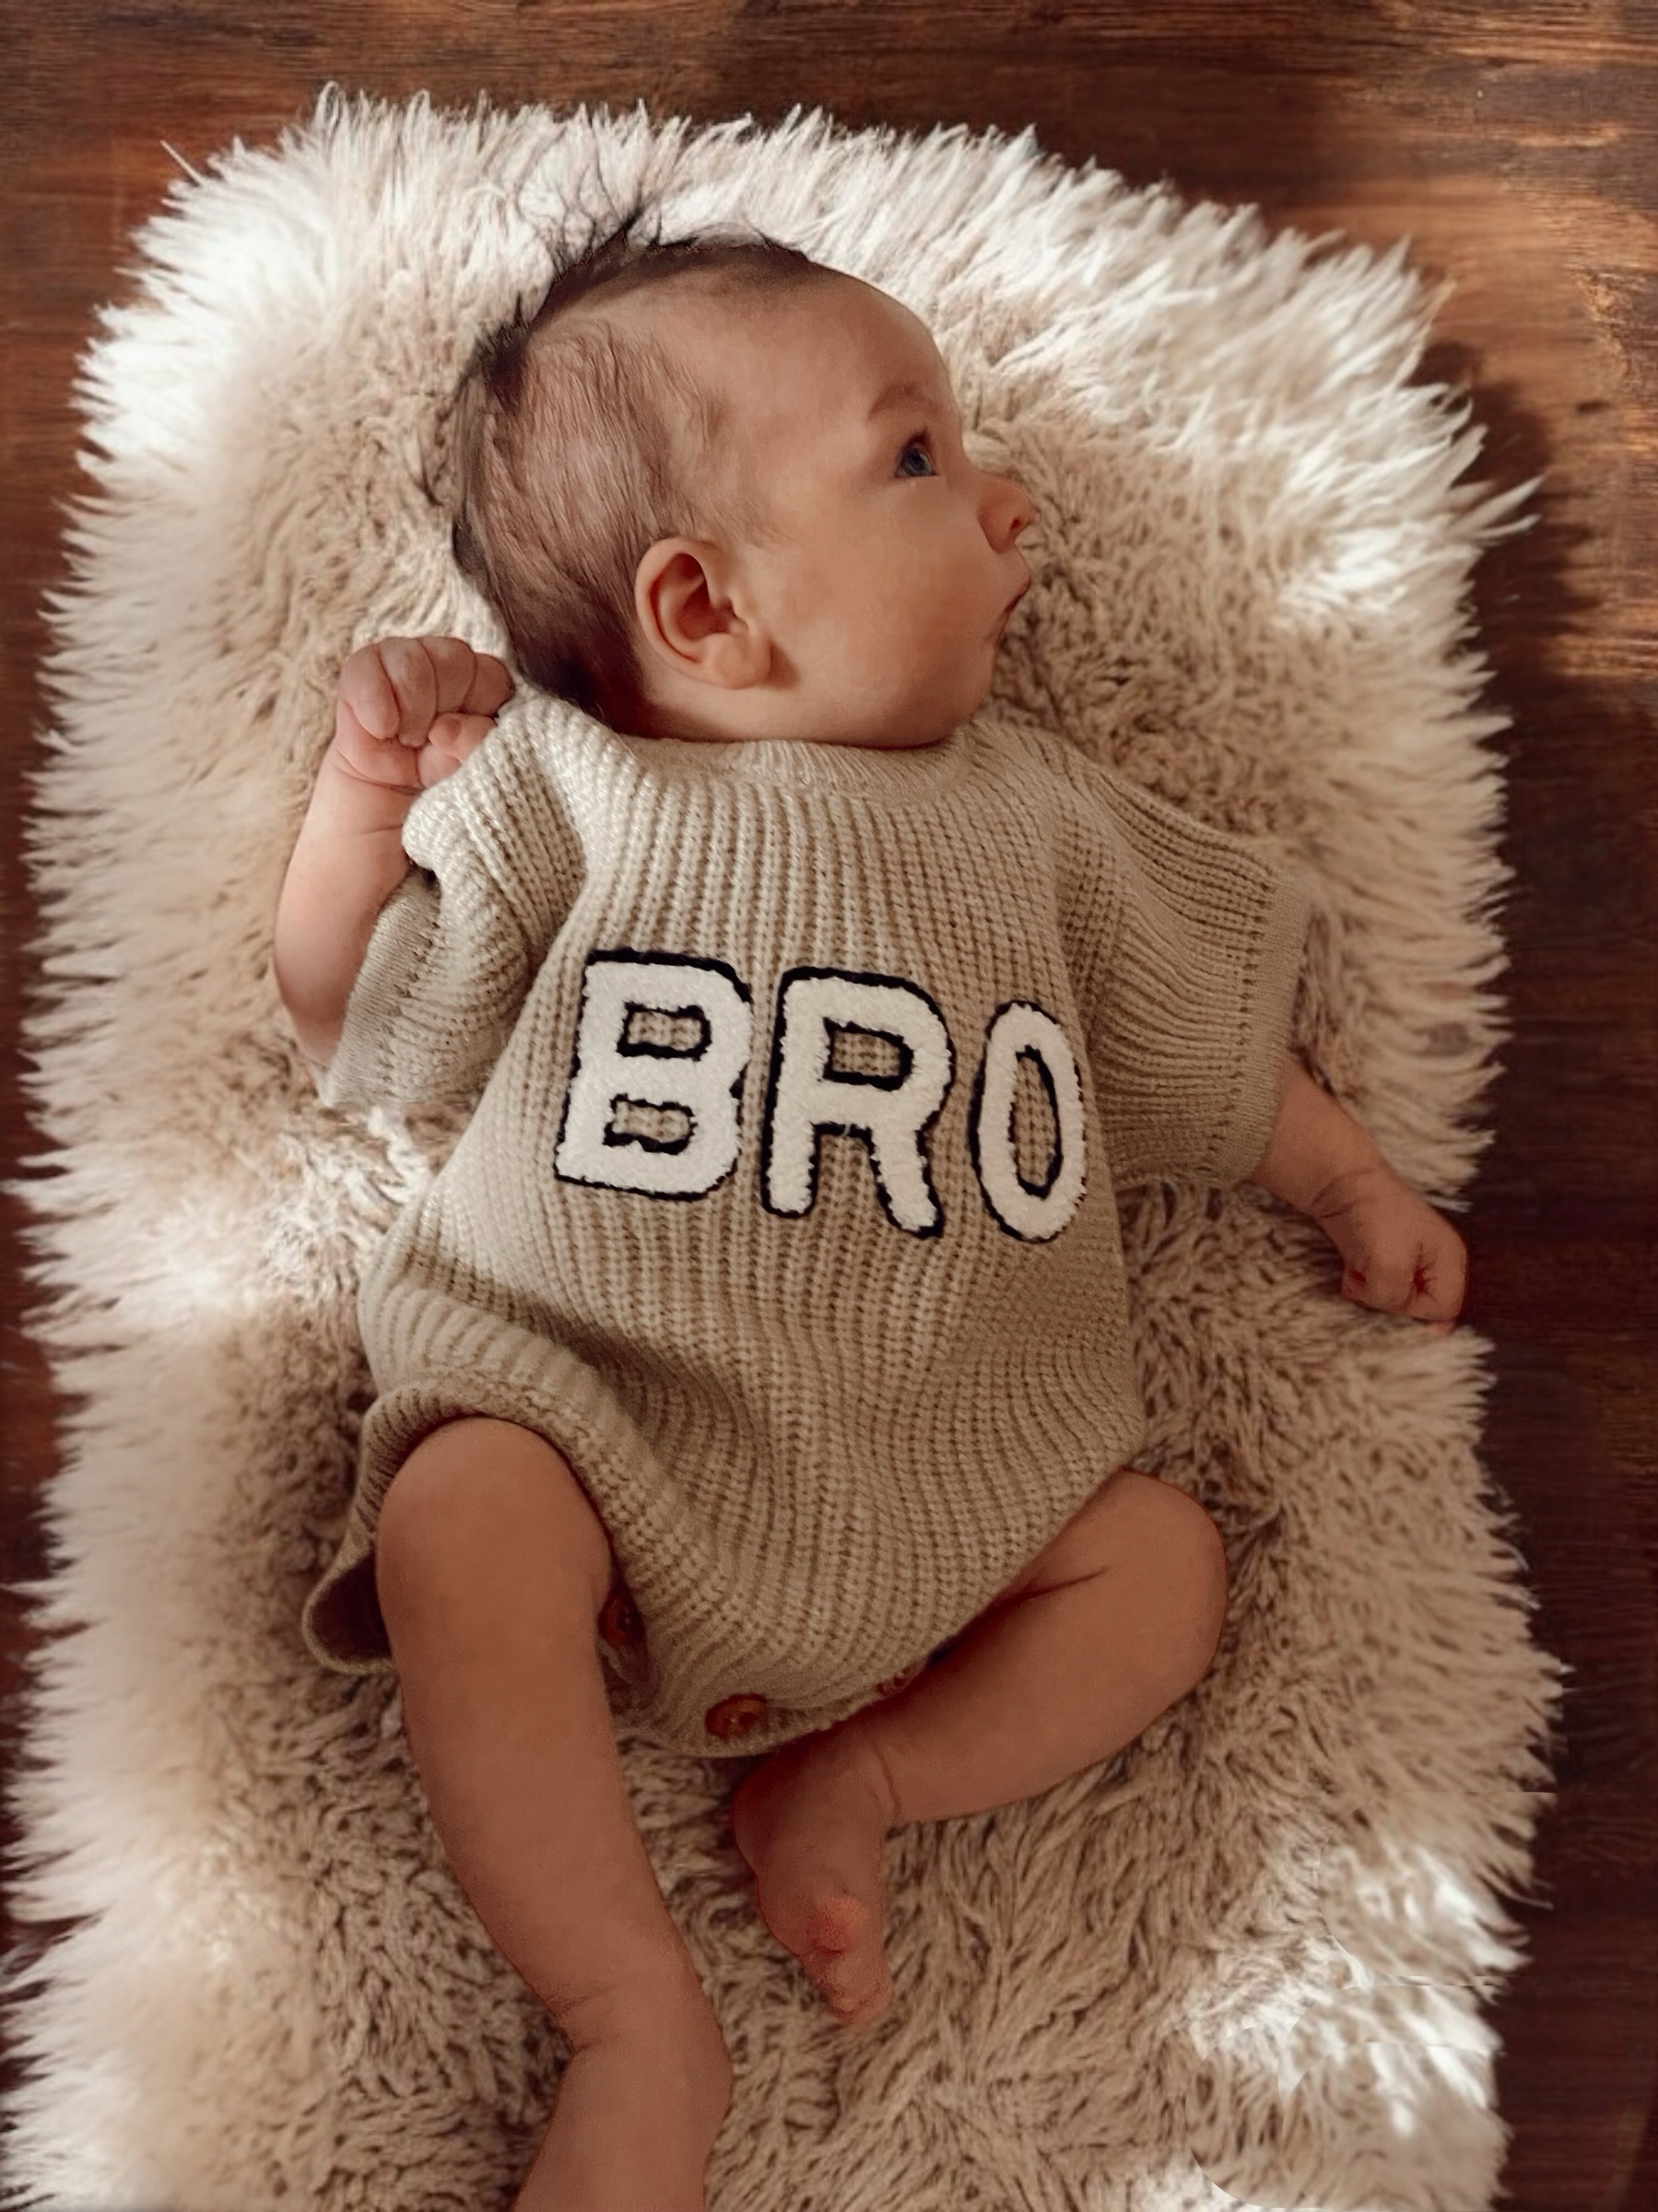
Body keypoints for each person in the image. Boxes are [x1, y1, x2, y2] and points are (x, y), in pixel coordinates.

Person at [273, 208, 1467, 2212]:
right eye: (916, 457)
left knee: (1160, 1566)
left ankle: (864, 1779)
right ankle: (629, 2013)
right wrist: (361, 801)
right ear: (702, 606)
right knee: (454, 1514)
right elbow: (353, 1016)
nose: (1006, 502)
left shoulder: (1039, 814)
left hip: (961, 1485)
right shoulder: (573, 793)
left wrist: (1339, 1173)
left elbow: (1191, 1039)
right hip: (600, 1423)